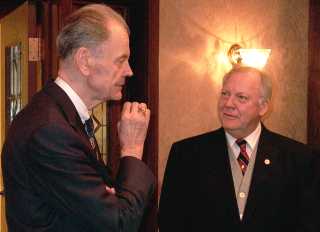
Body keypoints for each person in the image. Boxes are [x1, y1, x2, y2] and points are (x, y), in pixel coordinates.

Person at [1, 4, 154, 232]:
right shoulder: (50, 130)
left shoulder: (64, 116)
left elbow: (105, 210)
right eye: (120, 60)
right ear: (84, 61)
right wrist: (132, 149)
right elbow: (119, 223)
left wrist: (108, 199)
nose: (129, 71)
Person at [158, 66, 318, 231]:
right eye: (225, 94)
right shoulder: (186, 154)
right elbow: (170, 223)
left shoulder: (299, 159)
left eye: (241, 97)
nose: (228, 104)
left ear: (263, 107)